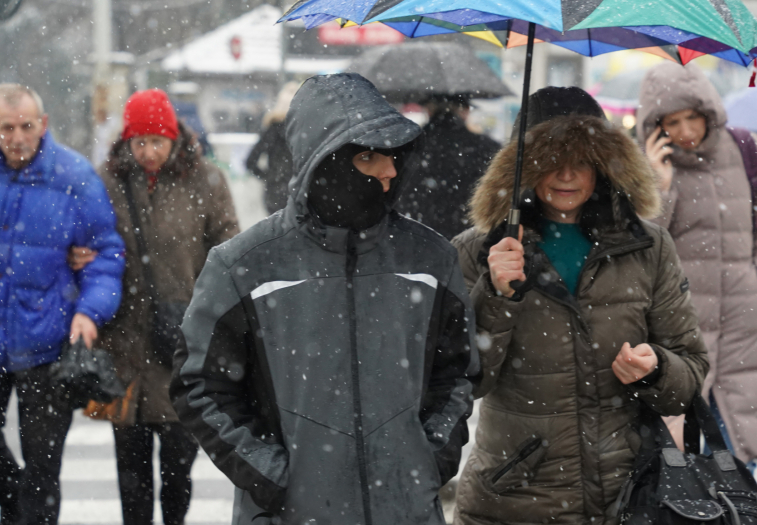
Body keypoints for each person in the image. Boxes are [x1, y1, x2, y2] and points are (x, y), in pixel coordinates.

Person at [170, 73, 479, 525]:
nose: (389, 171)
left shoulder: (430, 258)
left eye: (393, 155)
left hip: (406, 511)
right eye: (369, 156)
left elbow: (457, 372)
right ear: (324, 161)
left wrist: (428, 459)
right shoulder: (244, 265)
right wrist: (276, 479)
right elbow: (199, 385)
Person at [451, 93, 709, 524]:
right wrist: (496, 294)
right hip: (515, 501)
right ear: (523, 167)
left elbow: (690, 373)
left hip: (627, 497)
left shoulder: (648, 247)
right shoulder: (477, 252)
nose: (567, 174)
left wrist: (657, 369)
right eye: (551, 159)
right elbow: (465, 381)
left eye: (583, 161)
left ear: (605, 166)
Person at [0, 83, 125, 525]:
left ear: (44, 124)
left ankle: (30, 513)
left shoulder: (74, 175)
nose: (18, 137)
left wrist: (89, 312)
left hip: (48, 341)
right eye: (7, 128)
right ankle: (14, 506)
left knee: (43, 464)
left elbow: (105, 254)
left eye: (27, 126)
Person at [638, 62, 757, 468]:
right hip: (678, 327)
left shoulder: (744, 148)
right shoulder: (641, 166)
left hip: (744, 320)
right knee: (678, 460)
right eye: (673, 122)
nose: (686, 130)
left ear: (708, 111)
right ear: (655, 125)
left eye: (693, 117)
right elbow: (640, 247)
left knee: (740, 453)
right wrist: (659, 186)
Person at [97, 89, 240, 525]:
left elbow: (229, 250)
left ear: (174, 137)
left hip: (182, 343)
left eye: (157, 141)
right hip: (124, 343)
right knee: (131, 471)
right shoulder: (108, 181)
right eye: (139, 142)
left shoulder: (206, 180)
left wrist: (214, 314)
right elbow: (87, 235)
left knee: (178, 467)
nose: (148, 152)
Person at [397, 96, 501, 240]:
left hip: (414, 235)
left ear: (428, 110)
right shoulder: (488, 148)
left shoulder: (405, 146)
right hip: (466, 237)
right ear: (465, 111)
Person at [245, 81, 300, 214]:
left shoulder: (273, 129)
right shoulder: (304, 131)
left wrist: (269, 177)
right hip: (300, 194)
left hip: (275, 193)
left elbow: (250, 161)